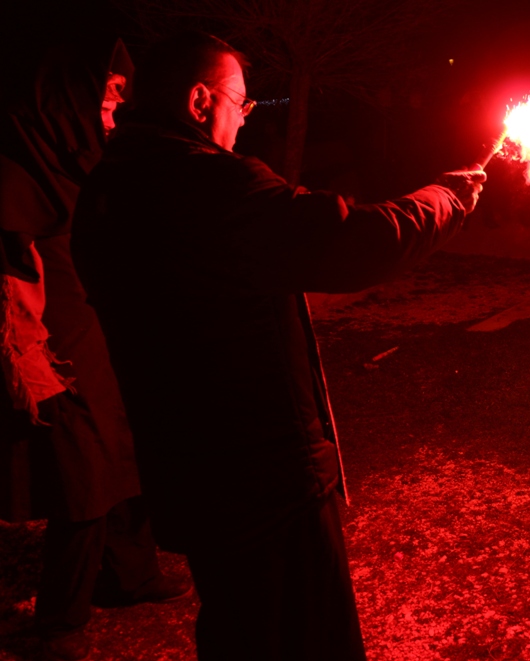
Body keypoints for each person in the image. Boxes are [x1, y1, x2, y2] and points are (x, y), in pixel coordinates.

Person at [69, 31, 486, 660]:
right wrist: (448, 197)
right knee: (304, 637)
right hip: (261, 476)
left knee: (240, 629)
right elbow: (354, 241)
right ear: (200, 100)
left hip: (187, 466)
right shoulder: (204, 186)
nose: (245, 117)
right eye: (242, 102)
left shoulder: (110, 186)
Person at [0, 37, 190, 661]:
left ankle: (131, 578)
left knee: (129, 455)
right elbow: (14, 279)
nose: (113, 113)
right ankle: (60, 620)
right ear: (65, 102)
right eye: (104, 100)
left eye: (118, 101)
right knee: (82, 476)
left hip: (109, 336)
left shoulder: (90, 165)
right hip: (61, 351)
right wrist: (31, 365)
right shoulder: (21, 171)